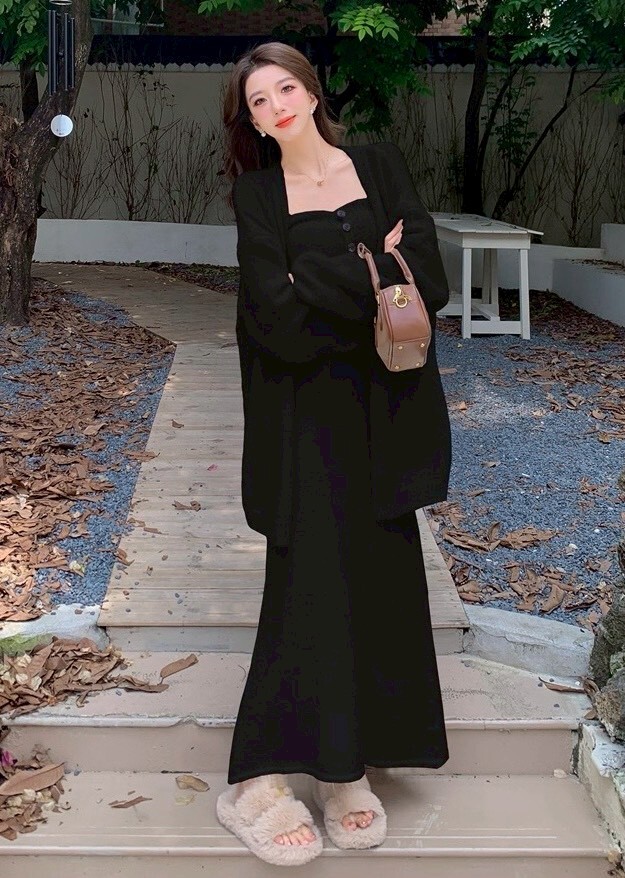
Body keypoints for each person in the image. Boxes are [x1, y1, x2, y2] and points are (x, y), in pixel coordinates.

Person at [216, 40, 452, 867]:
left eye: (285, 88)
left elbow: (429, 282)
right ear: (251, 123)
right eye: (258, 101)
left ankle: (347, 770)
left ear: (312, 92)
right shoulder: (256, 195)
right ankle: (259, 779)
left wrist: (313, 277)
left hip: (385, 411)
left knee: (382, 580)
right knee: (308, 584)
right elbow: (272, 321)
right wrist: (369, 269)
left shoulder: (377, 165)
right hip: (303, 418)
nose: (276, 106)